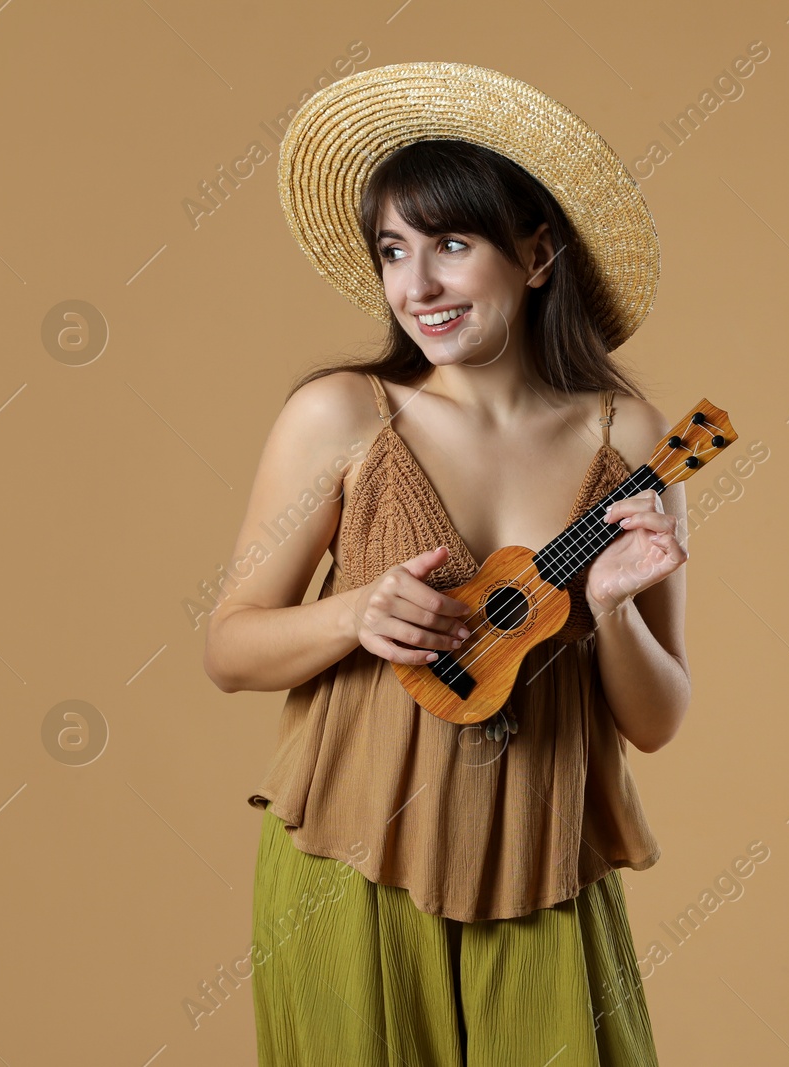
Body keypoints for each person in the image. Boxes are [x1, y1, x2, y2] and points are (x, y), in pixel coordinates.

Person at [202, 62, 688, 1065]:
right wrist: (353, 616)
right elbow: (230, 646)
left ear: (537, 253)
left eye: (451, 245)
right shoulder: (340, 416)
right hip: (353, 858)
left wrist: (614, 613)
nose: (414, 285)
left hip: (546, 859)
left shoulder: (630, 436)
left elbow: (657, 719)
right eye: (393, 251)